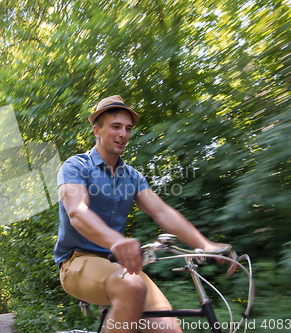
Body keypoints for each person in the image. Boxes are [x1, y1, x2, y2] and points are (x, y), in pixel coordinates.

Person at [54, 95, 235, 333]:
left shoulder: (132, 177)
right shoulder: (76, 167)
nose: (123, 134)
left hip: (119, 265)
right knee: (132, 285)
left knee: (169, 329)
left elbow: (161, 211)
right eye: (116, 126)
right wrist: (116, 241)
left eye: (128, 129)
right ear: (97, 130)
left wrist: (205, 244)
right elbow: (77, 212)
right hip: (76, 261)